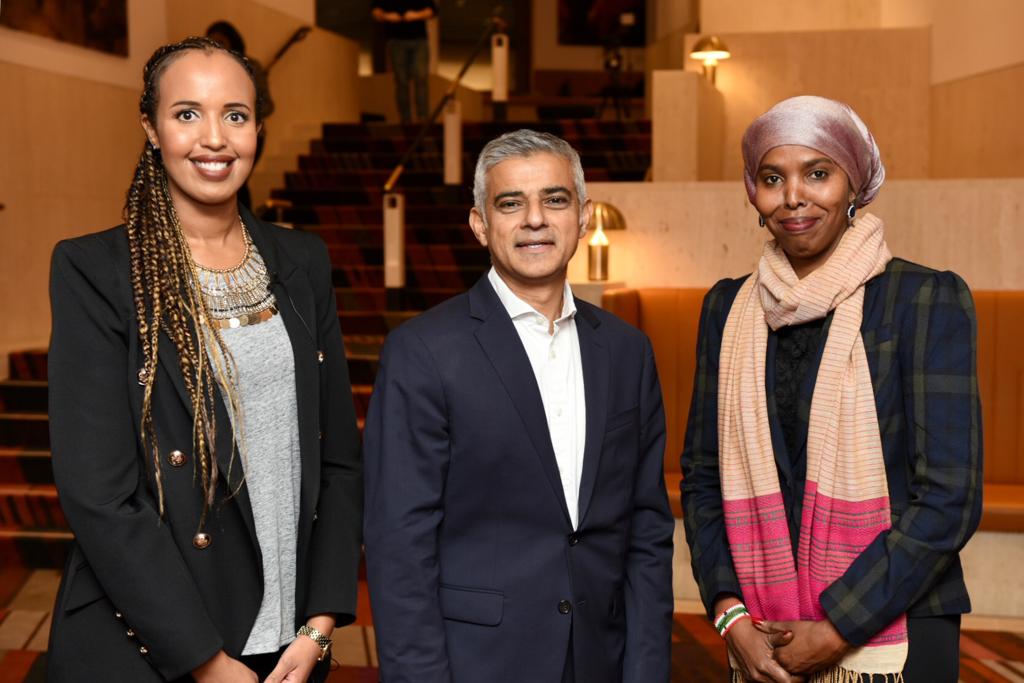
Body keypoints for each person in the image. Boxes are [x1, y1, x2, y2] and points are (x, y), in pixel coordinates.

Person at [46, 37, 363, 682]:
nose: (214, 138)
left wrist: (320, 625)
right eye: (187, 113)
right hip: (158, 643)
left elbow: (337, 460)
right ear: (151, 127)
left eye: (236, 115)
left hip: (290, 647)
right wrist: (206, 661)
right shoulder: (99, 271)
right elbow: (100, 497)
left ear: (257, 127)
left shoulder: (302, 262)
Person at [680, 96, 982, 683]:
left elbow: (949, 498)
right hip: (763, 633)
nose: (794, 197)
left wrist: (840, 626)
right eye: (773, 178)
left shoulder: (922, 300)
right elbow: (702, 474)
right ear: (753, 192)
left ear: (854, 185)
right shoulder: (726, 308)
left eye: (818, 173)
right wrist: (728, 613)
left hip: (903, 624)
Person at [363, 129, 674, 683]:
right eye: (511, 203)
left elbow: (646, 532)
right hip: (476, 664)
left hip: (602, 658)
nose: (535, 219)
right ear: (481, 224)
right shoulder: (424, 352)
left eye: (555, 199)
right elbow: (399, 546)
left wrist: (646, 670)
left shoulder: (628, 351)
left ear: (582, 217)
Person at [205, 20, 274, 210]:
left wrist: (240, 113)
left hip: (250, 135)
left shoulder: (251, 66)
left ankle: (245, 227)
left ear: (232, 42)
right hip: (218, 134)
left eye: (220, 41)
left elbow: (267, 105)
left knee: (238, 181)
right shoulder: (207, 70)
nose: (216, 46)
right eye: (211, 41)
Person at [371, 0, 436, 123]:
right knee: (401, 81)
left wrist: (416, 15)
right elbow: (375, 11)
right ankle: (406, 120)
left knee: (421, 77)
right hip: (396, 41)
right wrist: (387, 16)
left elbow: (432, 10)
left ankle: (423, 118)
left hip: (419, 40)